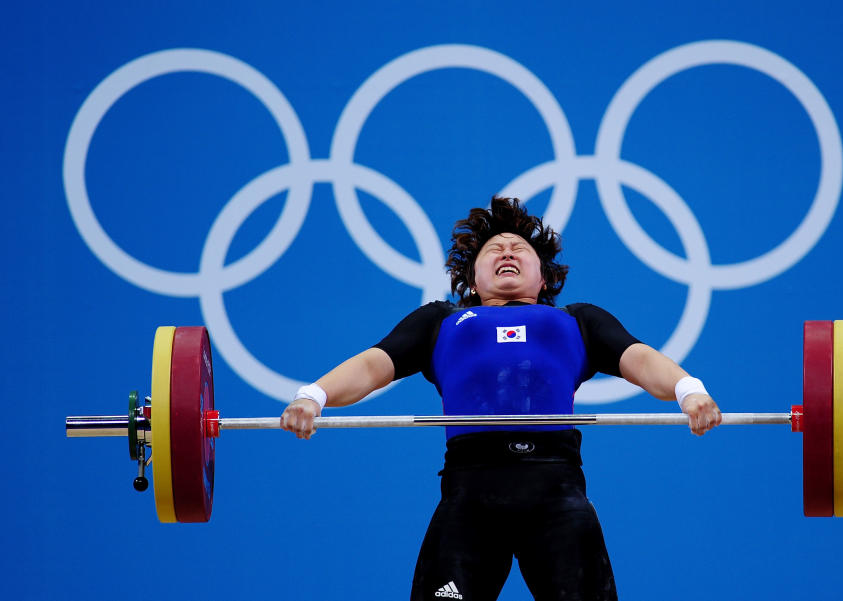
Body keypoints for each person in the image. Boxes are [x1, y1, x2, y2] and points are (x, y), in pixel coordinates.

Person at [281, 197, 722, 601]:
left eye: (519, 249)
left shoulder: (576, 321)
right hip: (470, 496)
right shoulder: (441, 322)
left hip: (557, 494)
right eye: (494, 249)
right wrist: (312, 397)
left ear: (543, 277)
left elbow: (640, 359)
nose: (507, 252)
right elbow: (373, 365)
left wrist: (688, 389)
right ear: (472, 278)